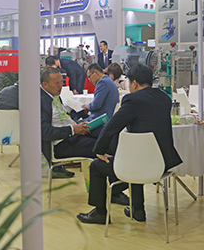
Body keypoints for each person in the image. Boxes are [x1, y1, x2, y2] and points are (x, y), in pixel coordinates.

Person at [76, 64, 182, 225]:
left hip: (141, 164)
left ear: (134, 84)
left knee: (98, 166)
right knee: (135, 158)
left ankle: (100, 213)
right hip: (163, 163)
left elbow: (112, 127)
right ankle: (137, 210)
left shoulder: (133, 100)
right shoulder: (164, 98)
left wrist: (99, 150)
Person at [40, 67, 96, 165]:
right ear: (45, 85)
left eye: (62, 82)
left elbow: (65, 117)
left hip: (72, 135)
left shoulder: (55, 96)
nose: (61, 86)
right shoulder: (40, 102)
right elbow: (45, 132)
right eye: (57, 83)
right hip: (63, 143)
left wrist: (77, 123)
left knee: (104, 133)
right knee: (101, 145)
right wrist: (72, 129)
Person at [81, 64, 119, 137]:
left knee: (76, 126)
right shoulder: (108, 80)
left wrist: (87, 106)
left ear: (96, 72)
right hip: (106, 118)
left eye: (89, 77)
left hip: (99, 121)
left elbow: (96, 105)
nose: (89, 80)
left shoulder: (102, 82)